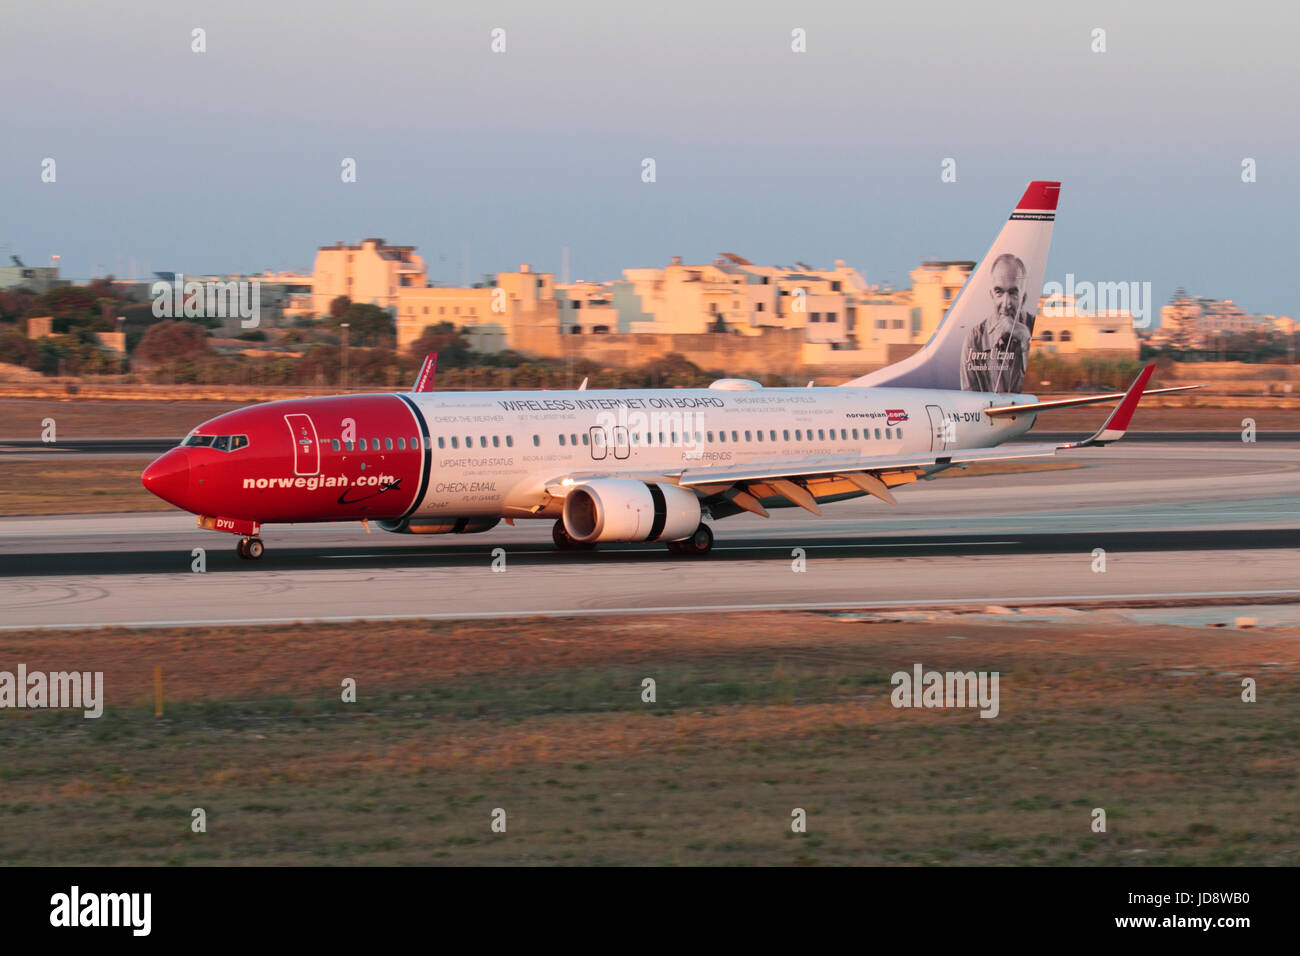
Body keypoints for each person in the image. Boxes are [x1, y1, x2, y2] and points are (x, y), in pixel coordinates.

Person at [960, 253, 1036, 393]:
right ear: (992, 296)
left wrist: (1026, 341)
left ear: (1023, 298)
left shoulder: (1034, 327)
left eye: (1013, 293)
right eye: (999, 292)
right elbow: (969, 398)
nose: (1006, 303)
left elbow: (1037, 388)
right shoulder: (975, 339)